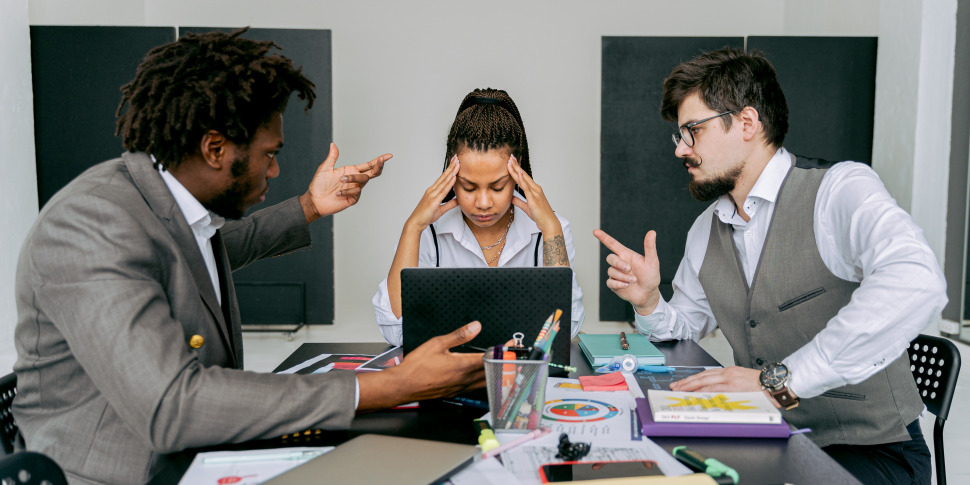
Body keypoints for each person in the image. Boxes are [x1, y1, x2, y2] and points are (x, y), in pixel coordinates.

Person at [12, 29, 484, 485]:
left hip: (198, 458)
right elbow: (172, 406)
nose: (276, 168)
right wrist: (390, 387)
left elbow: (224, 247)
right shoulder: (91, 224)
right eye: (269, 154)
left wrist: (311, 205)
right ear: (215, 148)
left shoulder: (166, 207)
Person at [595, 47, 943, 485]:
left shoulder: (838, 191)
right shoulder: (707, 228)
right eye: (678, 136)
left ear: (746, 122)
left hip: (873, 451)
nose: (681, 150)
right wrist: (648, 303)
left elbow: (916, 278)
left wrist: (780, 381)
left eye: (692, 131)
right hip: (770, 436)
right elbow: (684, 328)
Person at [373, 88, 585, 346]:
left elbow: (563, 329)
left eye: (497, 187)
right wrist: (412, 227)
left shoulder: (552, 230)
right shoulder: (426, 231)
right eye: (468, 187)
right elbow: (396, 331)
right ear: (451, 179)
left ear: (518, 176)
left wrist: (551, 229)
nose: (483, 203)